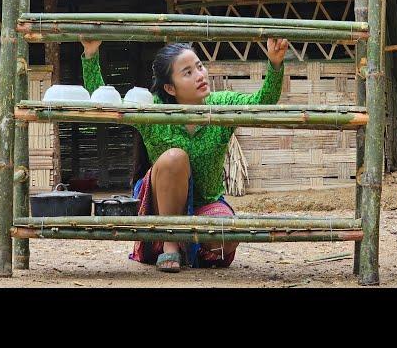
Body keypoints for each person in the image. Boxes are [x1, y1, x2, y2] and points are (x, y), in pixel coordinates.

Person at [80, 36, 288, 272]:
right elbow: (104, 102)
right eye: (188, 72)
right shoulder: (152, 109)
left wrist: (275, 63)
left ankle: (190, 246)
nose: (200, 75)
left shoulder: (221, 106)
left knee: (229, 234)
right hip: (160, 208)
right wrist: (91, 54)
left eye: (199, 66)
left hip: (205, 206)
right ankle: (170, 245)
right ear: (170, 87)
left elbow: (262, 102)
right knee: (174, 157)